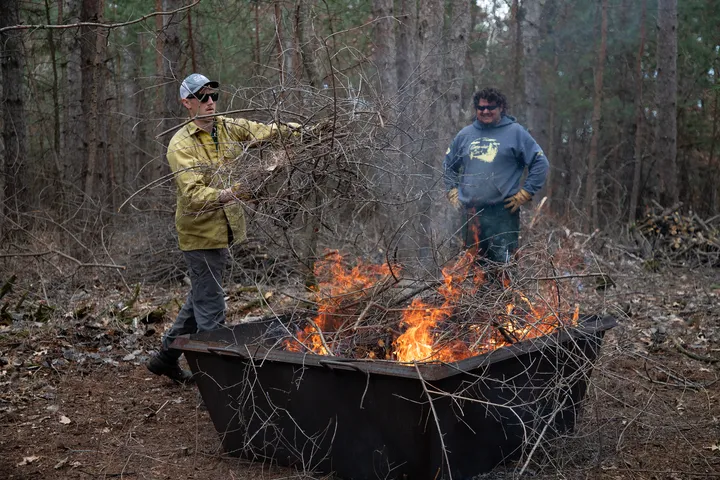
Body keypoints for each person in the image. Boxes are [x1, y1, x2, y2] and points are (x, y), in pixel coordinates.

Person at [147, 73, 299, 383]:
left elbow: (264, 131)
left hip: (223, 231)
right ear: (187, 103)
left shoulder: (227, 126)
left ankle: (165, 357)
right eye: (201, 97)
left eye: (212, 96)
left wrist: (300, 132)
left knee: (201, 297)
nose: (210, 102)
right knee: (211, 310)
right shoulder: (181, 145)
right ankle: (215, 384)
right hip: (199, 234)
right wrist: (233, 192)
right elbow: (193, 194)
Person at [443, 87, 548, 265]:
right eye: (481, 107)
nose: (485, 111)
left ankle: (505, 294)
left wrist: (526, 193)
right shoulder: (465, 135)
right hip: (470, 212)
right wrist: (451, 190)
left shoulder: (516, 132)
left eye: (490, 107)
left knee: (503, 267)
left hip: (502, 213)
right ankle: (477, 295)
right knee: (472, 268)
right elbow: (448, 165)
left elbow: (540, 163)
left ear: (501, 108)